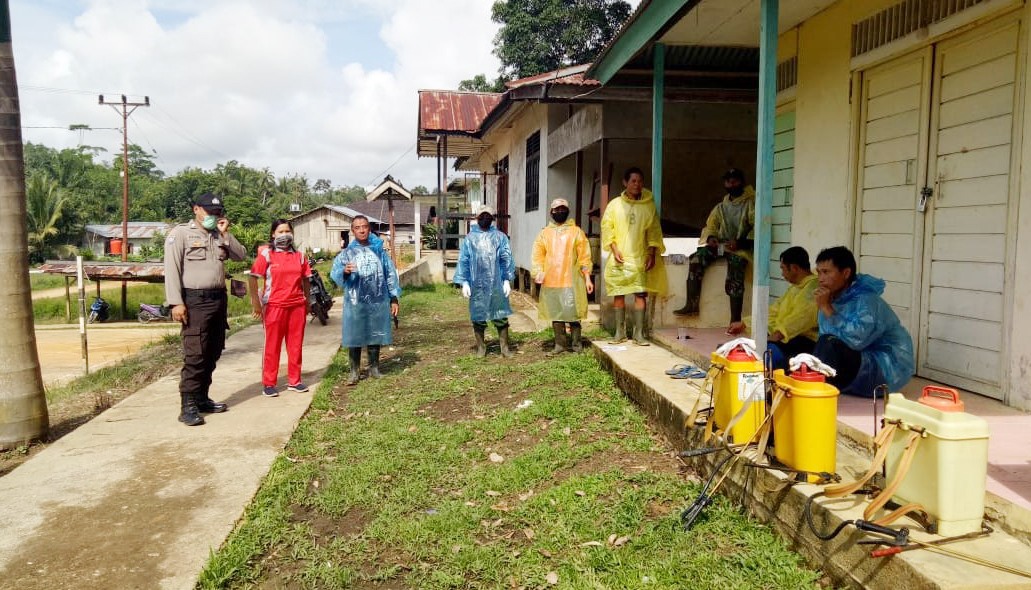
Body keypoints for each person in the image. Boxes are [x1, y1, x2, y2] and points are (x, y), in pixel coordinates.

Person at [164, 192, 247, 426]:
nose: (214, 216)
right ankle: (187, 405)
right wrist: (176, 302)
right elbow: (171, 270)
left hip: (218, 298)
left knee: (214, 349)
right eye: (210, 212)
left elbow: (241, 256)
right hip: (194, 300)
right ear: (196, 209)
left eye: (218, 213)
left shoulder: (218, 235)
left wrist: (225, 234)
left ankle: (202, 398)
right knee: (196, 354)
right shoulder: (180, 234)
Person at [812, 246, 914, 397]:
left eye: (826, 272)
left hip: (883, 369)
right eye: (819, 272)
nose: (820, 278)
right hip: (858, 361)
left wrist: (827, 308)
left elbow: (855, 340)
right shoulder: (832, 298)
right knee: (803, 349)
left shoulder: (866, 300)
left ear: (845, 273)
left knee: (827, 343)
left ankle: (813, 393)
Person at [673, 168, 755, 334]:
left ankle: (735, 319)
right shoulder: (721, 207)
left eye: (735, 180)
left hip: (741, 249)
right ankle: (691, 305)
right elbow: (711, 226)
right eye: (728, 181)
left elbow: (757, 228)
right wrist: (711, 238)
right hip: (723, 247)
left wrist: (741, 242)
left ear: (741, 182)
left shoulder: (751, 203)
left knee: (736, 268)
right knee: (697, 257)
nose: (731, 184)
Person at [330, 215, 400, 386]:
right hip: (356, 301)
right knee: (355, 334)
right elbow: (335, 273)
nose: (361, 230)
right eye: (357, 227)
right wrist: (344, 272)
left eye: (365, 226)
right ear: (352, 230)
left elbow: (390, 274)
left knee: (375, 332)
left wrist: (393, 297)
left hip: (377, 299)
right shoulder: (347, 253)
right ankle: (354, 371)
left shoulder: (379, 251)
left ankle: (374, 368)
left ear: (369, 228)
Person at [600, 166, 667, 345]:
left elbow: (654, 231)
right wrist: (614, 249)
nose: (637, 185)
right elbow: (607, 228)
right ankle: (619, 332)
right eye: (633, 181)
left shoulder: (648, 206)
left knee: (640, 295)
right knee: (619, 294)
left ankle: (639, 334)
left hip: (640, 257)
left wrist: (651, 253)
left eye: (639, 181)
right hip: (619, 257)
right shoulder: (614, 205)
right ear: (625, 182)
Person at [248, 220, 312, 397]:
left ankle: (295, 381)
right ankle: (269, 383)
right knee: (272, 346)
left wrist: (307, 301)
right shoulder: (266, 255)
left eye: (287, 231)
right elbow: (253, 278)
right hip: (274, 306)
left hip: (297, 306)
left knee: (295, 345)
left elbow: (306, 279)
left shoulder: (299, 256)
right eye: (280, 231)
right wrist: (256, 303)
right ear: (273, 235)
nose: (284, 235)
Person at [728, 246, 818, 370]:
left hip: (805, 342)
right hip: (786, 338)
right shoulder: (796, 287)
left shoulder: (812, 288)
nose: (782, 274)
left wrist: (774, 337)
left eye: (783, 269)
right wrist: (744, 323)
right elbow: (774, 311)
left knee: (766, 353)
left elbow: (799, 319)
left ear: (794, 268)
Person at [532, 198, 594, 354]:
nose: (560, 212)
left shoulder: (576, 232)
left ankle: (576, 344)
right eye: (556, 209)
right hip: (552, 281)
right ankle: (560, 344)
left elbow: (584, 257)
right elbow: (538, 256)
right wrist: (538, 272)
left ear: (568, 211)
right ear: (551, 212)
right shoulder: (544, 234)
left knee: (573, 314)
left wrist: (587, 278)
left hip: (571, 282)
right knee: (556, 313)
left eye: (563, 209)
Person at [454, 205, 516, 358]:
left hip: (496, 282)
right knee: (478, 315)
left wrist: (506, 279)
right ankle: (481, 347)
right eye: (482, 215)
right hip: (477, 284)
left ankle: (504, 348)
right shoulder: (470, 238)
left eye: (488, 215)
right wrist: (465, 282)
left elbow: (505, 258)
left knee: (500, 314)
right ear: (476, 218)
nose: (485, 218)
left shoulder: (500, 237)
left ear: (492, 217)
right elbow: (464, 260)